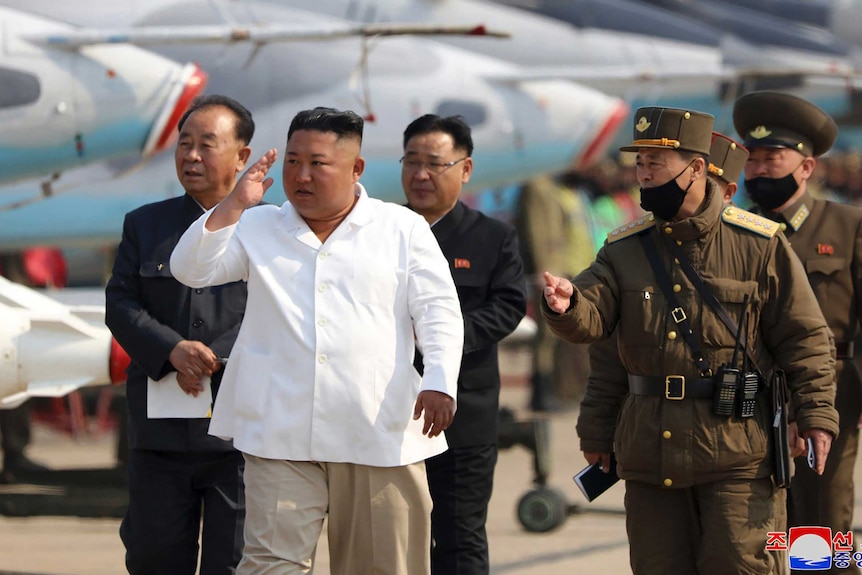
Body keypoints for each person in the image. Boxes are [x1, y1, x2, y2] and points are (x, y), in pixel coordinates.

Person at [544, 106, 839, 575]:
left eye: (654, 165)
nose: (643, 175)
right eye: (639, 164)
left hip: (737, 455)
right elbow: (600, 340)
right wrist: (567, 304)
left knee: (743, 566)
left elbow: (805, 338)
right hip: (649, 454)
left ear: (697, 168)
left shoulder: (759, 246)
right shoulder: (623, 250)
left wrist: (817, 414)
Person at [170, 107, 464, 575]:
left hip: (377, 429)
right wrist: (232, 206)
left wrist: (441, 379)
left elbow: (438, 311)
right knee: (270, 565)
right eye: (292, 161)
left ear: (356, 168)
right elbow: (191, 269)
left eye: (317, 163)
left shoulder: (401, 228)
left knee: (383, 566)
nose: (301, 176)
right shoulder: (257, 225)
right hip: (280, 429)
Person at [105, 95, 254, 575]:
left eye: (206, 145)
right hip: (160, 435)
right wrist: (171, 349)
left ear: (241, 156)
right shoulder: (145, 225)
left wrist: (214, 357)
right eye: (183, 144)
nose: (191, 156)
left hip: (241, 436)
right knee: (153, 557)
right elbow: (120, 304)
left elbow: (284, 312)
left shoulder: (269, 229)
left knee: (233, 563)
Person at [734, 91, 862, 574]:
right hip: (752, 389)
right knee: (757, 517)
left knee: (827, 515)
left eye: (774, 158)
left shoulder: (847, 225)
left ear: (806, 167)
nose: (761, 168)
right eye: (753, 159)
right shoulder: (739, 231)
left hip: (831, 386)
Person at [401, 114, 527, 575]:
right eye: (411, 162)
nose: (420, 175)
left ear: (465, 169)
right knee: (393, 533)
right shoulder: (381, 231)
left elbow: (508, 307)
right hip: (388, 412)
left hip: (463, 412)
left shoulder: (493, 238)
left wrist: (443, 339)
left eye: (434, 163)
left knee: (460, 535)